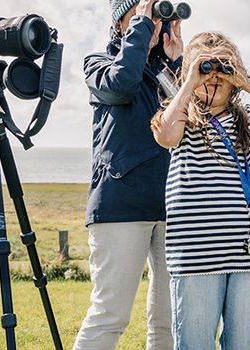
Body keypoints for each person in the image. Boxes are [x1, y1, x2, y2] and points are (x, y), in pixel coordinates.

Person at [150, 31, 250, 349]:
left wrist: (247, 81)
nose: (214, 76)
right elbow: (166, 135)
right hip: (195, 260)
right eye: (206, 67)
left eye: (223, 68)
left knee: (246, 345)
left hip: (248, 258)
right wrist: (189, 81)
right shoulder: (180, 116)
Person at [74, 0, 183, 349]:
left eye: (155, 17)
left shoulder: (166, 72)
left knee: (170, 320)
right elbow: (121, 85)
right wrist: (138, 32)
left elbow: (195, 115)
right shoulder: (98, 63)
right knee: (110, 316)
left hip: (172, 204)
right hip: (121, 204)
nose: (152, 22)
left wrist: (178, 62)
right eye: (142, 14)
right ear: (122, 21)